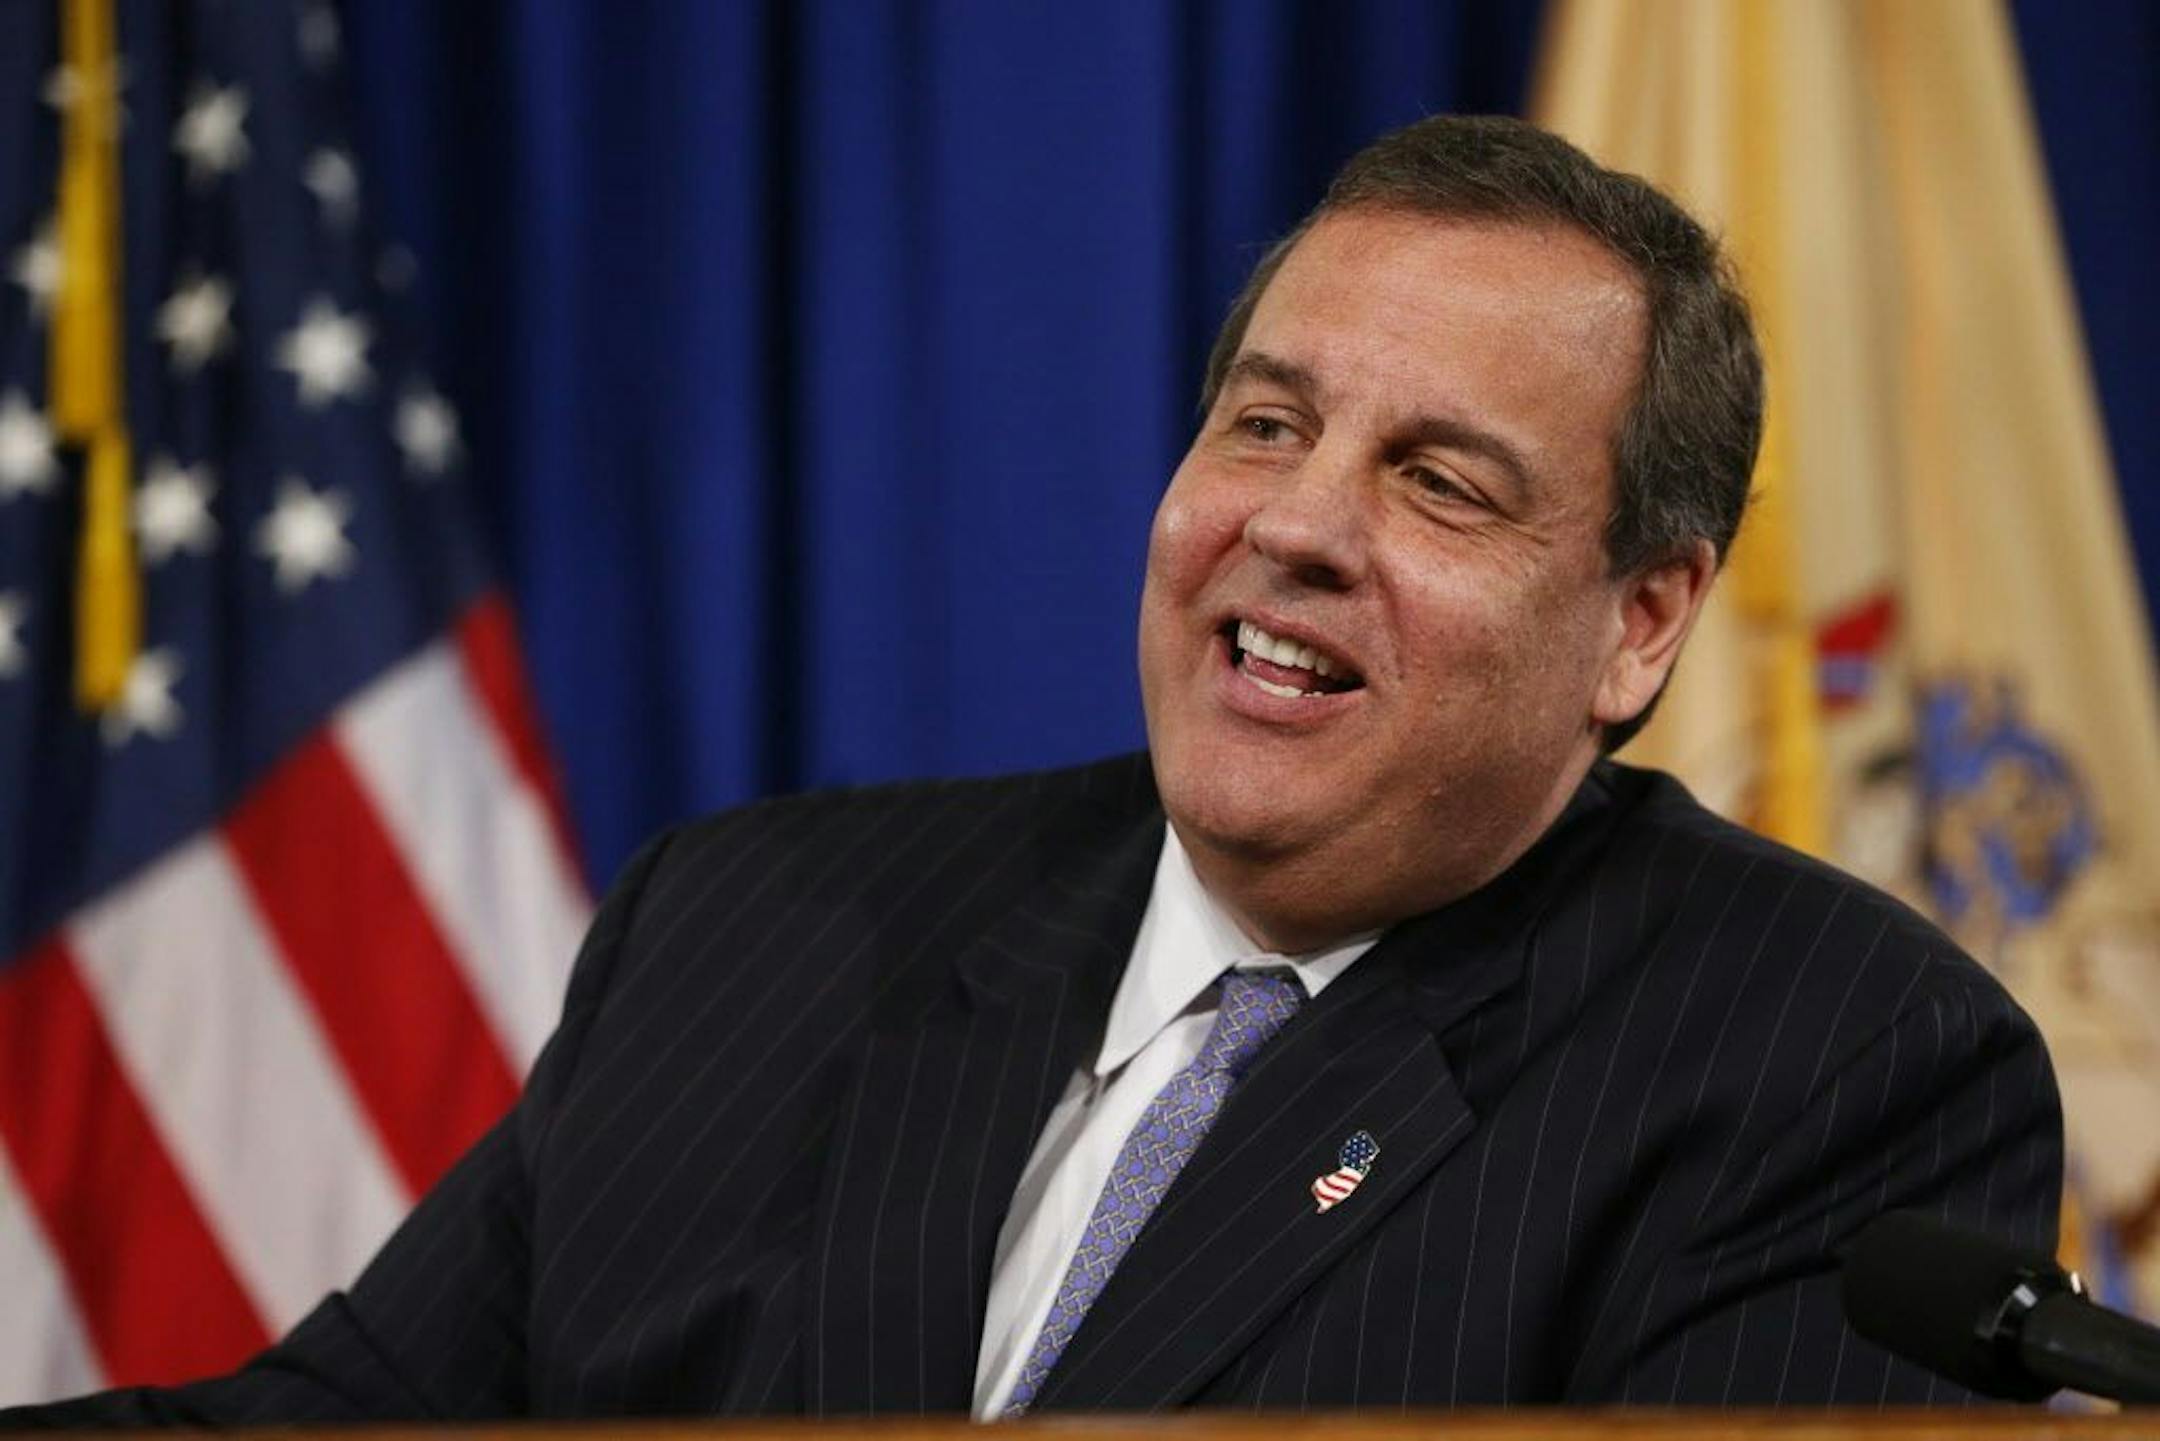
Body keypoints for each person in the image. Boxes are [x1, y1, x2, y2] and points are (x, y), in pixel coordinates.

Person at [5, 114, 2058, 1425]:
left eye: (1441, 482)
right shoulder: (749, 928)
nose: (1300, 524)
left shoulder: (1828, 1064)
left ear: (1641, 618)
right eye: (1265, 426)